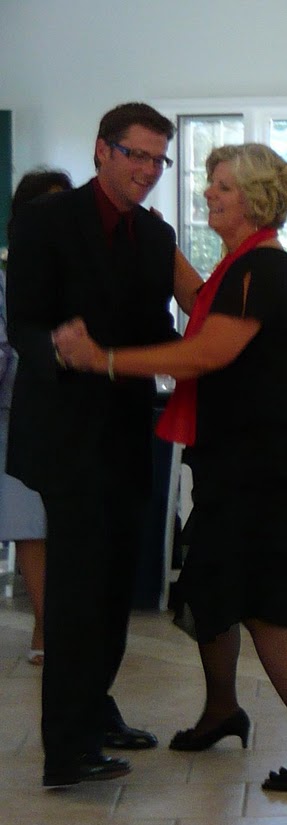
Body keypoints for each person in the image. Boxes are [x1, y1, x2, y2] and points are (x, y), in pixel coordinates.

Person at [53, 143, 287, 792]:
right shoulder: (236, 267)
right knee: (209, 586)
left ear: (256, 199)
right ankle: (221, 707)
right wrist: (146, 234)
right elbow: (190, 297)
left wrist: (100, 357)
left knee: (266, 607)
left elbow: (203, 354)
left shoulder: (261, 270)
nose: (209, 194)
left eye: (223, 187)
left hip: (268, 469)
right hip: (234, 459)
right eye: (211, 184)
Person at [7, 103, 178, 788]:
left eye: (157, 161)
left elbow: (158, 327)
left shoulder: (156, 233)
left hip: (128, 431)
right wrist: (61, 348)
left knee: (114, 586)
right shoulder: (46, 221)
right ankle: (65, 747)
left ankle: (97, 707)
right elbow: (22, 322)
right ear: (102, 150)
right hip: (67, 435)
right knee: (77, 591)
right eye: (135, 155)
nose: (146, 170)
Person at [1, 168, 70, 668]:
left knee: (71, 524)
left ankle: (68, 626)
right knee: (32, 525)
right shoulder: (6, 277)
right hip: (16, 414)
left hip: (76, 412)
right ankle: (48, 626)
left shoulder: (83, 272)